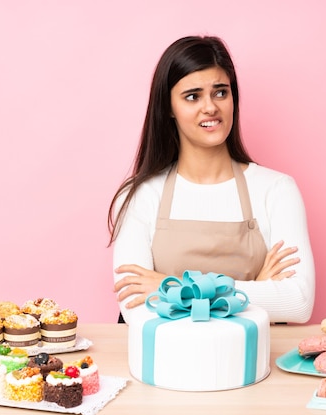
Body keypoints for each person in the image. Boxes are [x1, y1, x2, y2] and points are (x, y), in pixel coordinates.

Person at [108, 35, 314, 324]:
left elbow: (298, 303)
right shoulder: (140, 195)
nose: (210, 108)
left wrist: (171, 288)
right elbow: (135, 309)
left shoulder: (277, 190)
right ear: (168, 107)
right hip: (164, 366)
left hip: (250, 365)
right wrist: (254, 290)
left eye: (220, 93)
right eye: (192, 96)